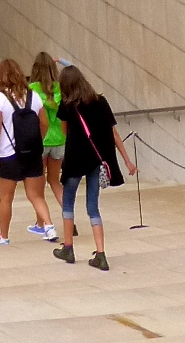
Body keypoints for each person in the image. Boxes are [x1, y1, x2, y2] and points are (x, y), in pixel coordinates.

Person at [53, 64, 134, 270]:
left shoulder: (67, 105)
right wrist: (126, 160)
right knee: (93, 207)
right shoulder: (101, 102)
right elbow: (114, 134)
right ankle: (100, 253)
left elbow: (64, 132)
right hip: (95, 162)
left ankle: (68, 248)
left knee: (68, 203)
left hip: (73, 161)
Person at [0, 57, 55, 246]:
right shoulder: (34, 96)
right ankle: (48, 227)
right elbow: (44, 123)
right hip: (32, 153)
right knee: (36, 195)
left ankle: (4, 236)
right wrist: (37, 141)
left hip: (8, 154)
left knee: (6, 198)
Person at [31, 52, 65, 208]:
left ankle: (42, 223)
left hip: (41, 139)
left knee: (39, 186)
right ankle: (69, 217)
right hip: (59, 140)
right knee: (55, 181)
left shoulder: (32, 89)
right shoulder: (61, 88)